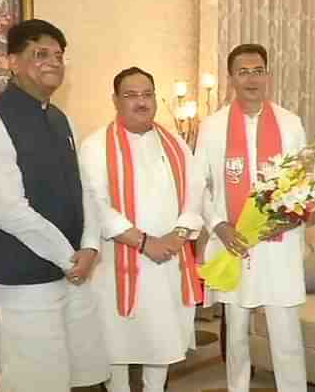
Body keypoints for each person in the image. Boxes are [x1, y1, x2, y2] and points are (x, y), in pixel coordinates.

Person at [0, 19, 108, 391]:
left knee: (77, 370)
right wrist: (68, 255)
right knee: (34, 379)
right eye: (39, 53)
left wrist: (91, 245)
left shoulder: (62, 120)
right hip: (20, 275)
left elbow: (85, 190)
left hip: (71, 270)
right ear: (12, 61)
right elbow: (8, 209)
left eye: (59, 55)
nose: (53, 62)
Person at [80, 67, 204, 392]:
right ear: (115, 101)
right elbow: (94, 203)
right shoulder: (95, 146)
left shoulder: (175, 143)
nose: (141, 102)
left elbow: (196, 192)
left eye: (147, 94)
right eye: (131, 95)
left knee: (161, 340)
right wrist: (144, 242)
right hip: (118, 261)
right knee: (116, 344)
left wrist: (177, 237)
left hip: (168, 260)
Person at [195, 44, 308, 392]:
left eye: (258, 70)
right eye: (243, 72)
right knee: (237, 337)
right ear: (231, 79)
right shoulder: (213, 127)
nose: (251, 78)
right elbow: (200, 185)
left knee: (286, 336)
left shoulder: (290, 123)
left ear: (268, 76)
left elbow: (303, 181)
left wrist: (294, 213)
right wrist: (219, 225)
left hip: (279, 244)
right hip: (234, 243)